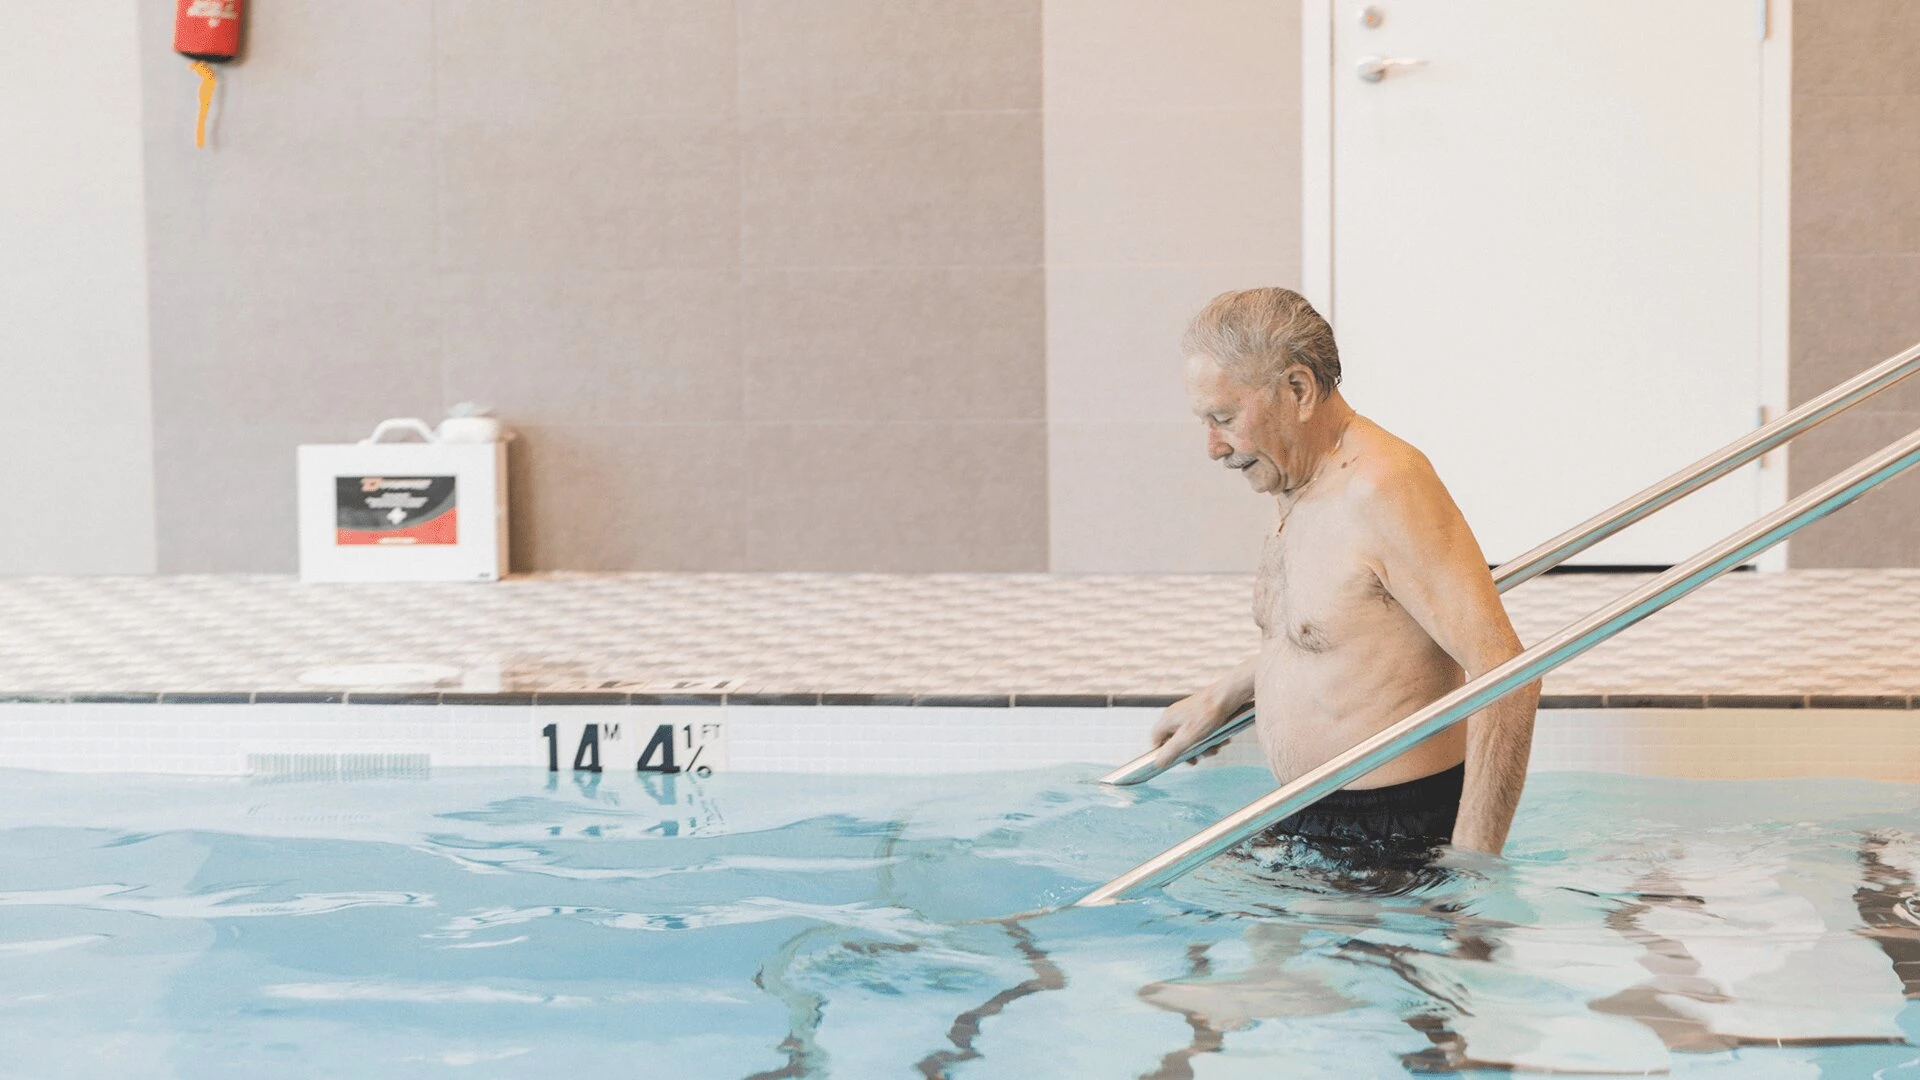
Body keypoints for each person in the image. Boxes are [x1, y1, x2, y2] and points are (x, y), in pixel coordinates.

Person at [1149, 287, 1538, 857]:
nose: (1213, 447)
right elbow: (1340, 626)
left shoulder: (1383, 488)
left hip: (1393, 833)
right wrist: (1227, 690)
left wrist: (1475, 865)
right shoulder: (1297, 477)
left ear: (1298, 391)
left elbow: (1506, 671)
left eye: (1225, 418)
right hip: (1310, 815)